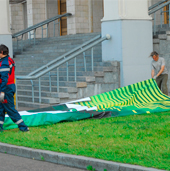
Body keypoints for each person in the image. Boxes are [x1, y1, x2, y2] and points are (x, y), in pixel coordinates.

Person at [0, 44, 29, 132]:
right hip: (9, 87)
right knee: (1, 108)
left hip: (5, 88)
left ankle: (23, 127)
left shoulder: (4, 63)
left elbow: (4, 78)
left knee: (10, 109)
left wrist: (2, 92)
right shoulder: (9, 60)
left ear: (1, 52)